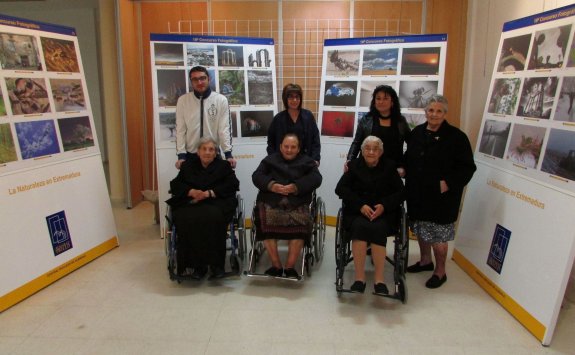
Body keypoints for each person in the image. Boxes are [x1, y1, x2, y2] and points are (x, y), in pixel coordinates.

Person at [404, 95, 476, 289]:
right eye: (430, 110)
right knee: (420, 228)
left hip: (442, 197)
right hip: (417, 193)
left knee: (438, 236)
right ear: (425, 112)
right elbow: (408, 156)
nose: (434, 114)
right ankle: (425, 261)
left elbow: (467, 167)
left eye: (438, 111)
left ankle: (440, 271)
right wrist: (402, 168)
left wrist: (448, 183)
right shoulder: (417, 133)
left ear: (445, 113)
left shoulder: (457, 137)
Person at [335, 136, 405, 295]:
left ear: (380, 152)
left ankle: (379, 280)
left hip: (382, 213)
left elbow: (402, 192)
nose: (371, 152)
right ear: (362, 151)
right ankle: (360, 279)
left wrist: (384, 206)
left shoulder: (389, 167)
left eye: (375, 149)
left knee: (379, 228)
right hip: (358, 211)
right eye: (367, 148)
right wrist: (360, 205)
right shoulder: (353, 166)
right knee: (359, 227)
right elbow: (340, 189)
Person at [166, 137, 239, 280]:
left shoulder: (223, 166)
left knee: (213, 216)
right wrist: (191, 191)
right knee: (185, 218)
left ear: (216, 153)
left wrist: (209, 193)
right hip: (192, 201)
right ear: (198, 152)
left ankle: (216, 265)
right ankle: (196, 266)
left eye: (211, 149)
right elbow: (175, 185)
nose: (207, 152)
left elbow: (233, 184)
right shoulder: (188, 166)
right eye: (204, 149)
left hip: (216, 202)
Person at [252, 133, 322, 279]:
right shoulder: (269, 160)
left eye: (293, 147)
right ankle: (276, 265)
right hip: (271, 200)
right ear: (280, 147)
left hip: (297, 202)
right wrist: (272, 186)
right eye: (286, 146)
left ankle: (290, 267)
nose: (289, 150)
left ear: (298, 149)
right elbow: (257, 176)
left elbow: (316, 178)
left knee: (303, 220)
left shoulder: (307, 162)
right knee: (263, 218)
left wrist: (296, 186)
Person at [175, 66, 236, 169]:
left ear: (209, 79)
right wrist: (181, 155)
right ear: (191, 82)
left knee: (217, 184)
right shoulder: (183, 101)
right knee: (191, 185)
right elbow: (180, 130)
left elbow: (224, 129)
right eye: (195, 79)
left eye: (202, 78)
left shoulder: (221, 100)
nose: (199, 82)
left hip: (212, 153)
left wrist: (228, 154)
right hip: (191, 155)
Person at [345, 85, 410, 176]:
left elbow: (412, 144)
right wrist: (350, 160)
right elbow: (357, 142)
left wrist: (404, 165)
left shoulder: (400, 121)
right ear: (374, 102)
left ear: (392, 102)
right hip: (368, 168)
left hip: (392, 170)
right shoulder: (366, 119)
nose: (381, 102)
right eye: (378, 98)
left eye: (385, 98)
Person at [267, 83, 321, 165]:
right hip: (283, 165)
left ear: (300, 98)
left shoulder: (308, 116)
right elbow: (271, 143)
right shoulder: (278, 119)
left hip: (305, 163)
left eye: (297, 97)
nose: (294, 100)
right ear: (285, 99)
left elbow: (315, 140)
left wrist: (315, 159)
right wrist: (274, 161)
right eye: (291, 97)